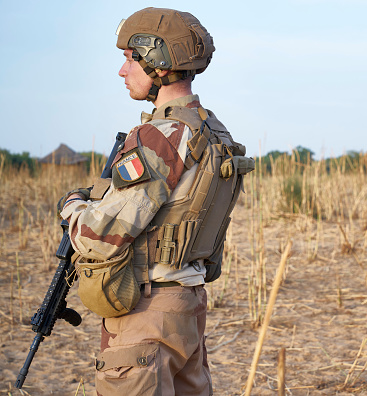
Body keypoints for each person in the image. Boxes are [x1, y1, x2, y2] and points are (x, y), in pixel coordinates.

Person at [59, 7, 251, 395]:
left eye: (130, 58)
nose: (122, 70)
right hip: (188, 305)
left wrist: (72, 208)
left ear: (157, 62)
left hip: (148, 312)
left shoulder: (158, 136)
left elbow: (100, 236)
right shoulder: (214, 131)